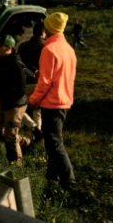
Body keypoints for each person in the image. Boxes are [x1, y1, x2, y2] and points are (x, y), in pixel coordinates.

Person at [29, 12, 77, 190]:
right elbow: (61, 76)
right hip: (64, 101)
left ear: (48, 29)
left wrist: (33, 99)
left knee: (55, 144)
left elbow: (45, 82)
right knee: (53, 142)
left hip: (52, 103)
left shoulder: (49, 50)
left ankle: (69, 182)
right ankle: (52, 178)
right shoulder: (69, 49)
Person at [0, 34, 35, 166]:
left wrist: (2, 101)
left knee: (10, 137)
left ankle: (16, 167)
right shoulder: (2, 61)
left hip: (15, 105)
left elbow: (21, 90)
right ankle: (25, 143)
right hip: (4, 103)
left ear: (8, 47)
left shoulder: (16, 65)